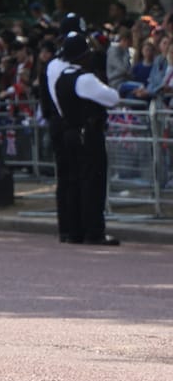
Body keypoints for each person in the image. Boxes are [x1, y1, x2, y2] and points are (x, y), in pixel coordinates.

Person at [39, 29, 122, 246]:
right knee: (92, 182)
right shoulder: (84, 79)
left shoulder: (60, 79)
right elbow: (113, 98)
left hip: (70, 132)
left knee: (73, 182)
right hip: (88, 133)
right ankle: (93, 230)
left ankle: (73, 230)